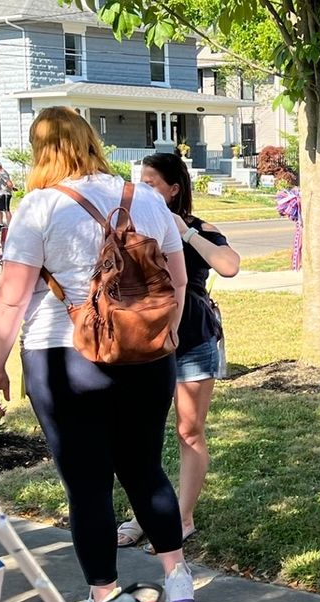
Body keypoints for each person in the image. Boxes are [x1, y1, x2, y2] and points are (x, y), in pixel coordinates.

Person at [0, 106, 192, 602]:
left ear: (41, 150)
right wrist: (162, 334)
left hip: (64, 356)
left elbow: (11, 299)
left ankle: (104, 593)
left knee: (88, 481)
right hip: (147, 355)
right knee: (145, 468)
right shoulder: (143, 196)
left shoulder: (39, 207)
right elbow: (178, 280)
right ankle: (178, 576)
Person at [116, 152, 240, 549]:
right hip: (145, 341)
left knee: (189, 430)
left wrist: (185, 233)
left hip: (191, 339)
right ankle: (144, 513)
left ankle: (182, 517)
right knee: (139, 435)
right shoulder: (129, 226)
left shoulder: (199, 228)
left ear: (173, 189)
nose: (143, 188)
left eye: (152, 182)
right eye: (141, 181)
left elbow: (229, 266)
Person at [0, 161, 15, 227]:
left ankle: (10, 225)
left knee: (6, 210)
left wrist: (11, 188)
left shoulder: (3, 173)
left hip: (5, 194)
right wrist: (12, 188)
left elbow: (9, 183)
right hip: (0, 194)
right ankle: (0, 223)